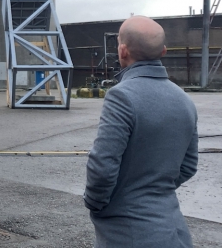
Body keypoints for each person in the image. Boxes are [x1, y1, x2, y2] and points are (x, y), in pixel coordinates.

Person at [84, 15, 198, 248]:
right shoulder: (184, 99)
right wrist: (156, 193)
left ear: (123, 51)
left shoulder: (121, 96)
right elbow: (188, 165)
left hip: (130, 233)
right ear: (163, 51)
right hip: (174, 229)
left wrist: (97, 204)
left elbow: (103, 165)